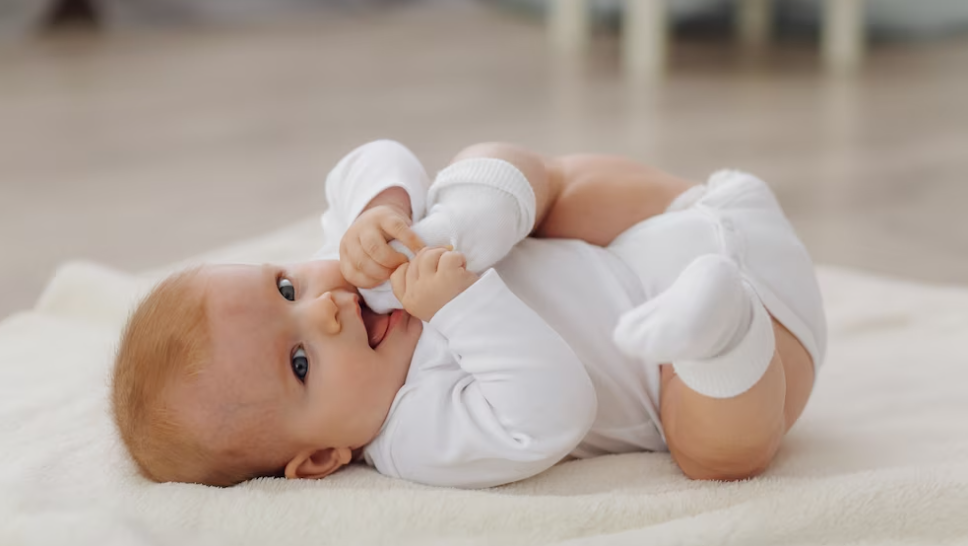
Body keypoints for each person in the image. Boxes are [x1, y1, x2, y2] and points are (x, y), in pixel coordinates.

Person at [112, 140, 825, 488]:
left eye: (284, 288)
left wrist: (384, 208)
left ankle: (485, 210)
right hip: (752, 352)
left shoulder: (356, 259)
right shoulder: (414, 434)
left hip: (668, 225)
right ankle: (718, 325)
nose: (326, 308)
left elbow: (374, 156)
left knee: (529, 181)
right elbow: (553, 412)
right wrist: (461, 304)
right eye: (299, 363)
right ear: (324, 456)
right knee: (713, 452)